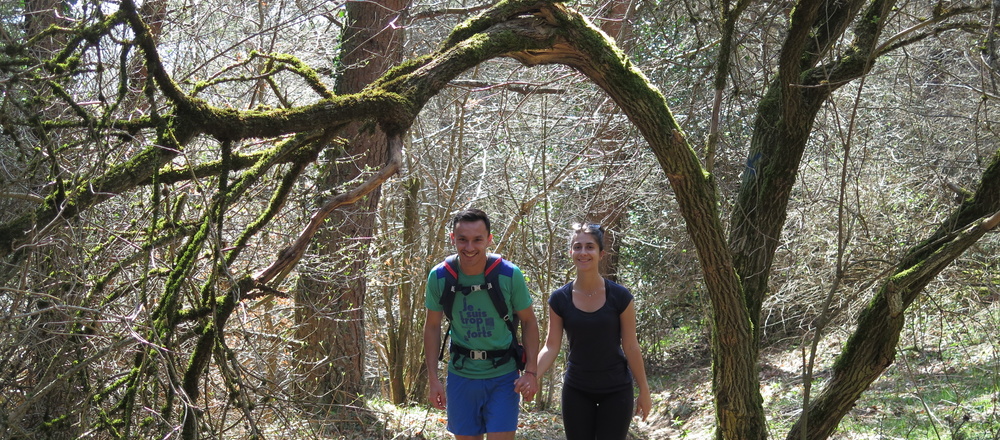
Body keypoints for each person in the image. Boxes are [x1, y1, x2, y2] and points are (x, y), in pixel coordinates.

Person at [424, 208, 540, 440]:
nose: (469, 248)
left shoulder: (509, 274)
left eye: (477, 240)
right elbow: (432, 326)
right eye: (462, 240)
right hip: (461, 375)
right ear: (452, 239)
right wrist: (433, 379)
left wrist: (531, 373)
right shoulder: (439, 277)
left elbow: (528, 321)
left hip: (504, 375)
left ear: (489, 239)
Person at [536, 223, 652, 440]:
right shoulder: (559, 299)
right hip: (577, 389)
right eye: (577, 247)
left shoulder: (620, 297)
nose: (583, 252)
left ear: (601, 254)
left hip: (616, 389)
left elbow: (630, 345)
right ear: (571, 252)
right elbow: (551, 347)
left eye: (590, 247)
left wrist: (644, 390)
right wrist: (531, 376)